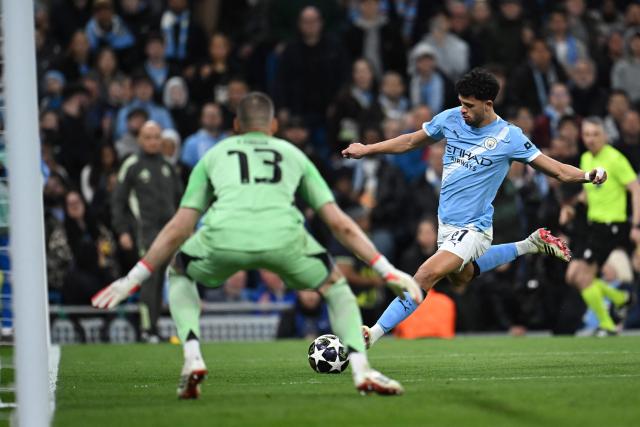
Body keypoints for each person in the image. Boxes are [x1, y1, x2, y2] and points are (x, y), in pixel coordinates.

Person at [92, 93, 422, 398]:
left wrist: (132, 278)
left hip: (224, 236)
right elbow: (339, 223)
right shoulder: (294, 154)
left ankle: (192, 355)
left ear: (235, 126)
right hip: (284, 237)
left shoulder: (214, 155)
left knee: (179, 272)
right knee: (336, 287)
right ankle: (362, 369)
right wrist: (387, 269)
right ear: (274, 126)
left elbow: (180, 226)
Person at [341, 68, 607, 348]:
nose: (463, 110)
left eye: (469, 105)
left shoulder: (509, 137)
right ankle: (529, 244)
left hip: (474, 228)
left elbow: (557, 170)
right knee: (462, 277)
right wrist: (367, 149)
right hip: (447, 225)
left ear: (488, 104)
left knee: (425, 275)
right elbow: (408, 141)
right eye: (461, 102)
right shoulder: (450, 118)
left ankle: (372, 334)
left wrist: (588, 175)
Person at [561, 117, 639, 336]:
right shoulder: (586, 158)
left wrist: (637, 224)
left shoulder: (615, 159)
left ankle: (608, 324)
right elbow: (588, 193)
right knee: (572, 276)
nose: (591, 139)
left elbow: (635, 189)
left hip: (611, 225)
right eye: (587, 134)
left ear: (605, 136)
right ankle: (620, 298)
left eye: (596, 134)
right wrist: (572, 208)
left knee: (583, 278)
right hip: (593, 226)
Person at [111, 121, 182, 342]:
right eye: (148, 137)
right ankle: (146, 329)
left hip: (169, 232)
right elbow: (117, 201)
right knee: (149, 278)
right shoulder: (132, 165)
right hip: (146, 232)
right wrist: (122, 230)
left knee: (163, 279)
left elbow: (180, 201)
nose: (153, 141)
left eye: (156, 137)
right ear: (140, 140)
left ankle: (153, 327)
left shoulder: (168, 167)